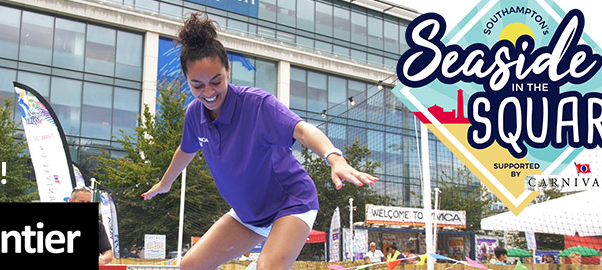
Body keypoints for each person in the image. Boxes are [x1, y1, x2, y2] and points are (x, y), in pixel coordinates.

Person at [141, 12, 378, 270]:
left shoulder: (258, 105)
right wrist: (165, 184)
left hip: (291, 201)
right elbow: (186, 149)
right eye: (197, 85)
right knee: (190, 266)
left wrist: (335, 158)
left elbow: (302, 130)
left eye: (216, 81)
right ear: (187, 80)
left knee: (267, 267)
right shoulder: (194, 115)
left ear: (228, 70)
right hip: (248, 215)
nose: (208, 92)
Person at [70, 188, 114, 266]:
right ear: (71, 202)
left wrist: (102, 259)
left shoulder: (98, 226)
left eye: (88, 202)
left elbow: (109, 254)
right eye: (81, 202)